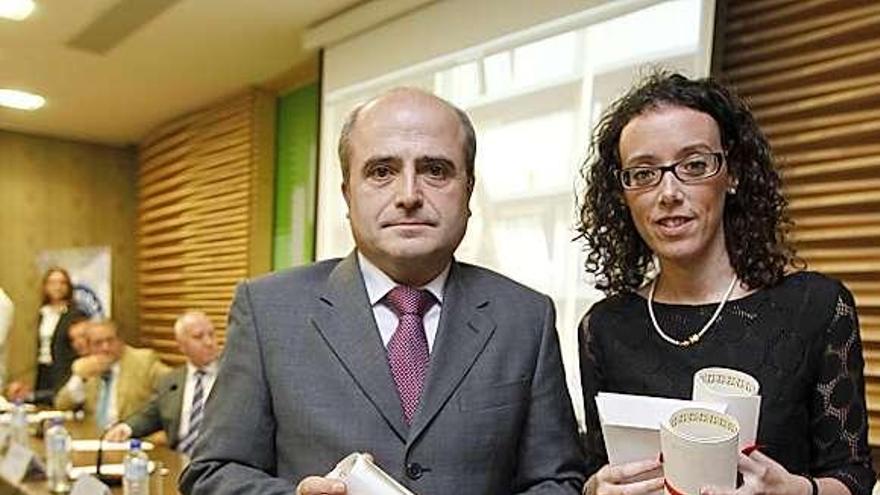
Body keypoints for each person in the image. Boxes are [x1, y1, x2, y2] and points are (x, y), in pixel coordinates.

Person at [179, 88, 585, 495]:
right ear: (346, 194)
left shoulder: (526, 317)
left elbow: (558, 480)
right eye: (381, 171)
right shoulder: (268, 311)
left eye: (436, 170)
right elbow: (212, 472)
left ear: (468, 191)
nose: (408, 195)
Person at [576, 72, 874, 495]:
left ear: (731, 174)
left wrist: (791, 490)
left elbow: (855, 477)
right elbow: (595, 469)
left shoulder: (818, 307)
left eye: (694, 165)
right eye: (643, 173)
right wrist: (595, 489)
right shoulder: (604, 327)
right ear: (622, 195)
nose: (668, 192)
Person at [104, 311, 220, 456]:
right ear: (182, 345)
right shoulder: (171, 381)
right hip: (179, 461)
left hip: (218, 464)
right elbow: (151, 415)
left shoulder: (235, 377)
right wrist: (126, 428)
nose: (209, 342)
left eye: (212, 334)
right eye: (199, 337)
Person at [54, 320, 171, 430]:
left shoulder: (144, 361)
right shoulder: (88, 366)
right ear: (89, 347)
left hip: (131, 436)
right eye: (98, 343)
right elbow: (62, 405)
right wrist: (79, 378)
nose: (106, 348)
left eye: (110, 340)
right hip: (95, 437)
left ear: (121, 341)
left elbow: (173, 388)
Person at [7, 267, 87, 404]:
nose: (57, 287)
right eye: (52, 283)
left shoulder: (76, 314)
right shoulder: (43, 313)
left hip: (64, 372)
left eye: (62, 283)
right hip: (44, 371)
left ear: (69, 287)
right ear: (45, 286)